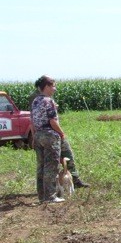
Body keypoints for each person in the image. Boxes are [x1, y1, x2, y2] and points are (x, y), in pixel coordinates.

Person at [30, 75, 89, 204]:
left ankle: (42, 196)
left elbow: (32, 121)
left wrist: (34, 136)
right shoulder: (48, 101)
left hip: (39, 135)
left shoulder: (35, 101)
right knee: (51, 167)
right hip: (50, 136)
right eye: (53, 86)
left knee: (41, 167)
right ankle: (51, 197)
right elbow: (52, 121)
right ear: (46, 87)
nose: (55, 89)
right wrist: (61, 133)